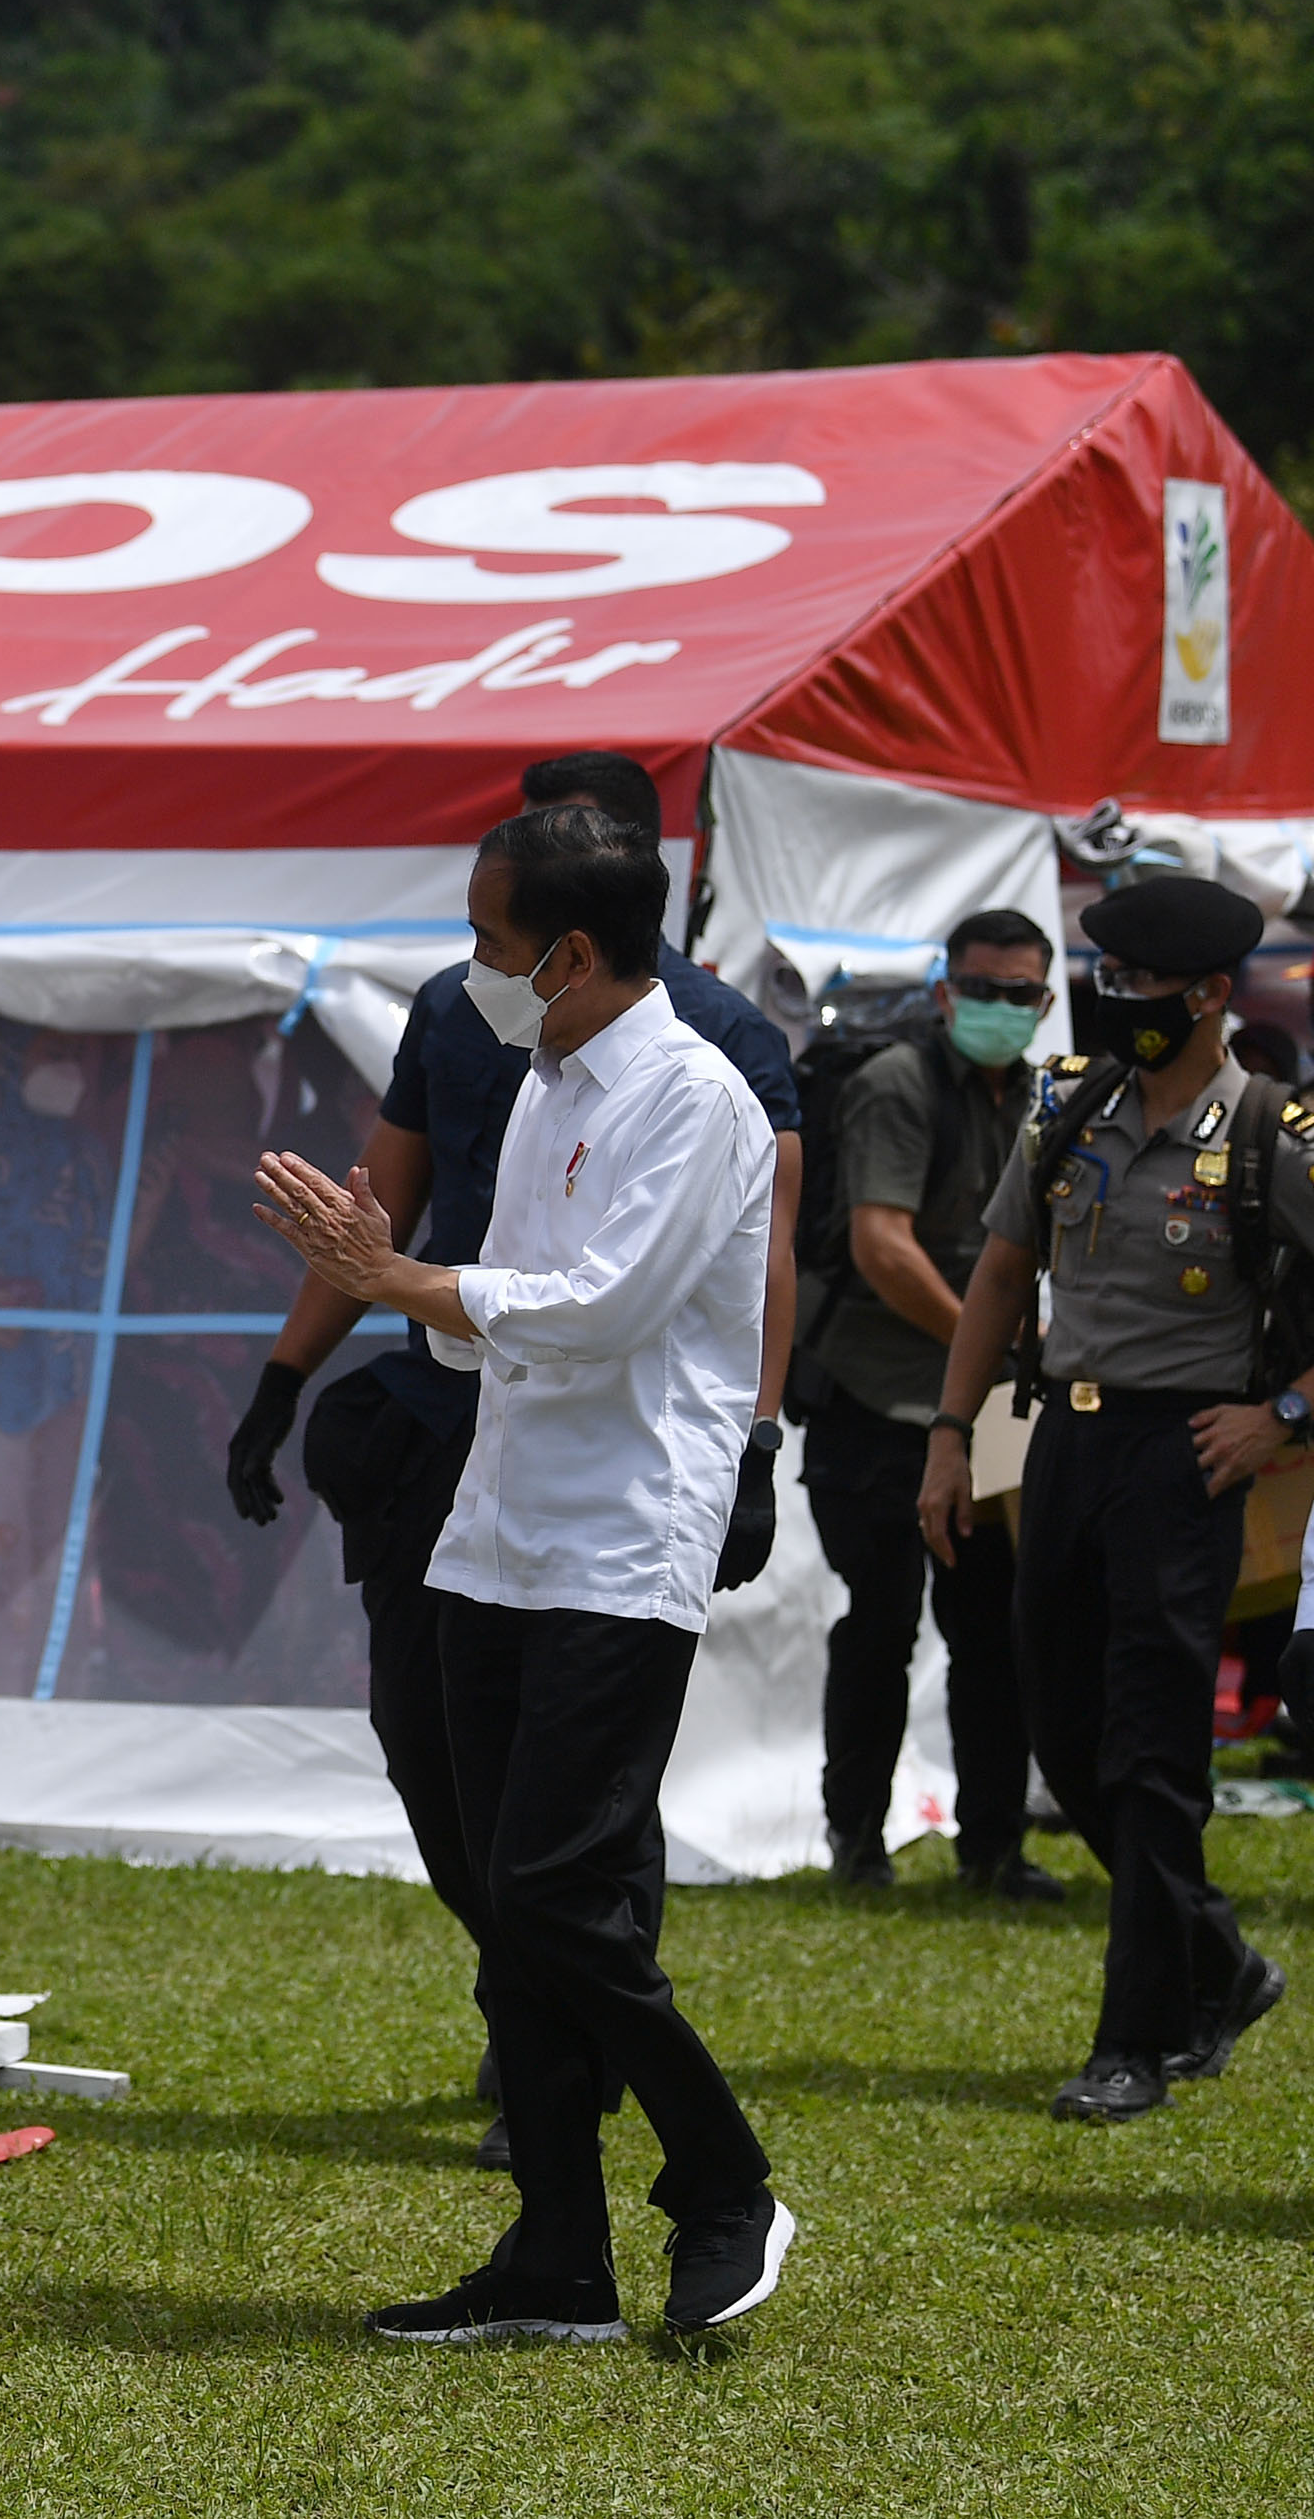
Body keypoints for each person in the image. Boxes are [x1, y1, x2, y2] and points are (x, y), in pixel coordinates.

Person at [259, 802, 792, 2341]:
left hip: (624, 1538)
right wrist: (392, 1270)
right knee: (510, 1901)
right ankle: (559, 2255)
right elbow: (489, 1317)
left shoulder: (695, 1095)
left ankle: (726, 2179)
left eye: (488, 938)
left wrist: (402, 1275)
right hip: (494, 1529)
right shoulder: (548, 1076)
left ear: (568, 951)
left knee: (559, 1887)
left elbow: (600, 1311)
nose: (469, 965)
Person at [921, 874, 1299, 2124]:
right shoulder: (1068, 1107)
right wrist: (948, 1435)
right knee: (1062, 1723)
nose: (1115, 997)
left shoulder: (1272, 1131)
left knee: (1150, 1750)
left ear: (1209, 995)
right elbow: (999, 1274)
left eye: (1140, 982)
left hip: (1182, 1453)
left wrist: (1282, 1415)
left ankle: (1135, 2038)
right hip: (1064, 1445)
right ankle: (1218, 1959)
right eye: (1109, 978)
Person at [801, 908, 1062, 1900]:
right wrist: (987, 1345)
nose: (999, 1006)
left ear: (1043, 1001)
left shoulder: (1043, 1099)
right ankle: (857, 1841)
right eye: (981, 989)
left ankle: (991, 1845)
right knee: (880, 1623)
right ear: (946, 991)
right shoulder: (896, 1083)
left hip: (988, 1410)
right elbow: (881, 1244)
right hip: (875, 1399)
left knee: (994, 1625)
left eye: (1019, 993)